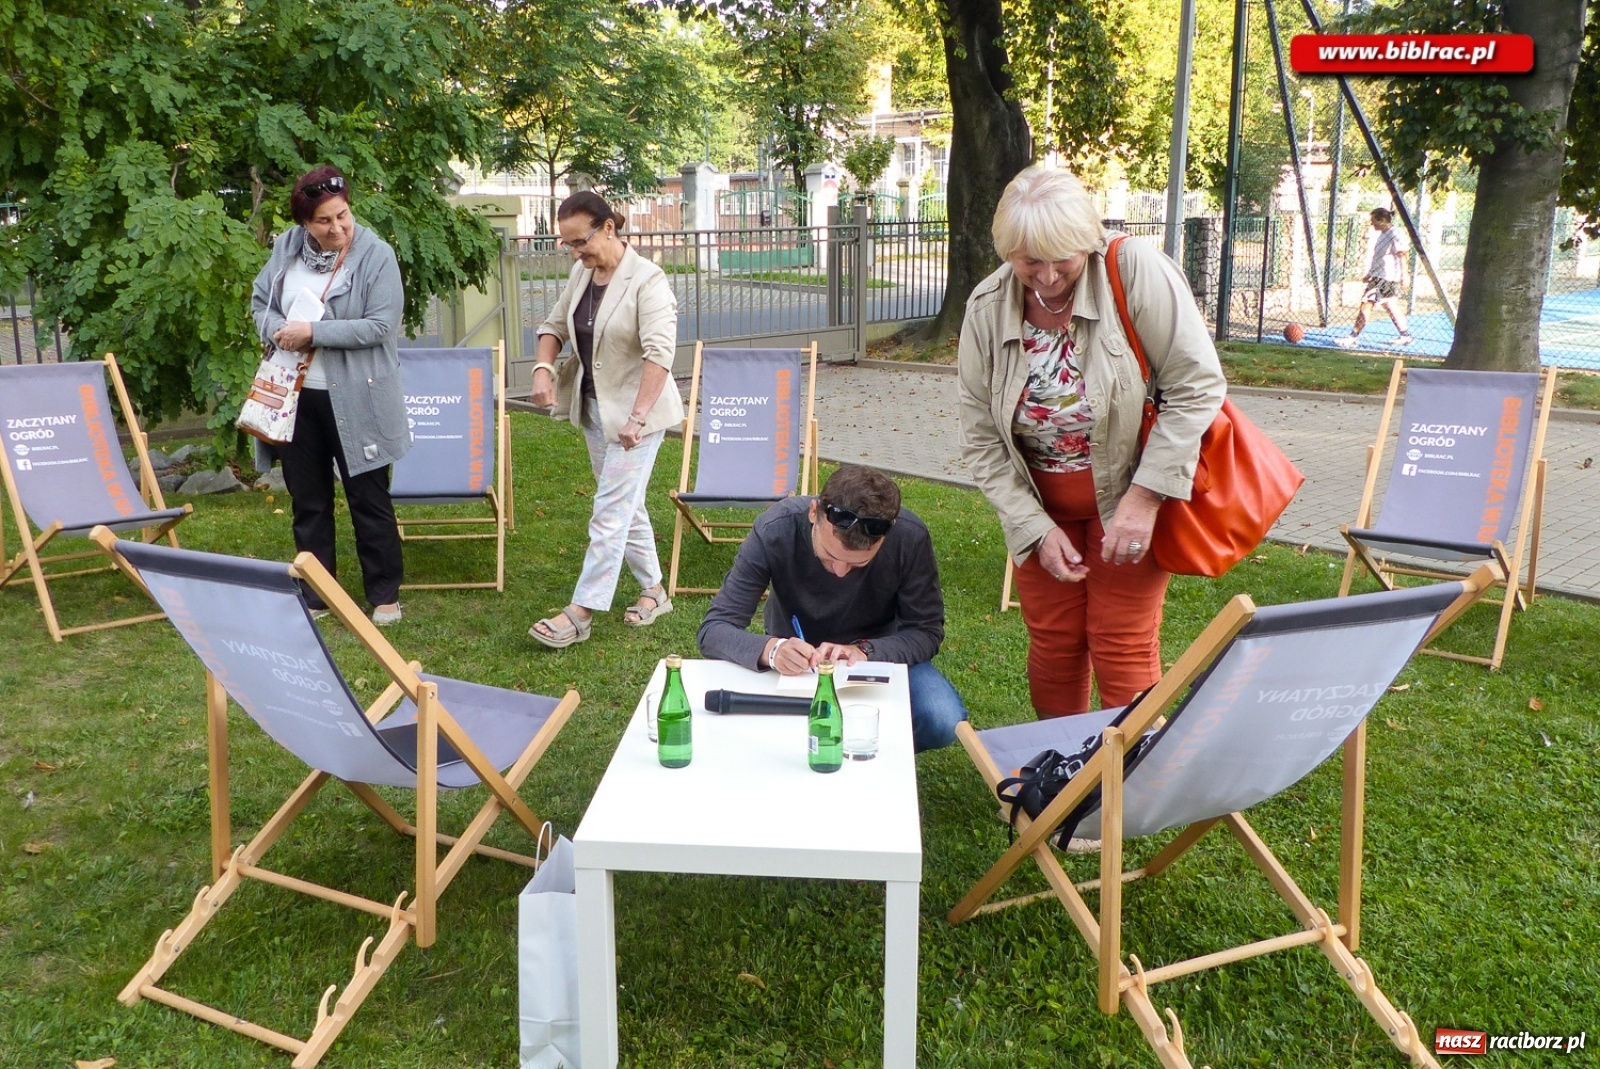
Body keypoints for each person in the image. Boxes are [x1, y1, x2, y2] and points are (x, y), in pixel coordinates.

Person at [957, 165, 1226, 719]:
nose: (1049, 276)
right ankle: (1061, 786)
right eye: (1030, 262)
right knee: (1053, 646)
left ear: (1088, 241)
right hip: (1040, 508)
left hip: (1129, 496)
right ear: (1008, 251)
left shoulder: (1136, 271)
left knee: (1122, 643)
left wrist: (1145, 499)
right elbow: (981, 436)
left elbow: (1197, 387)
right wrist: (1031, 527)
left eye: (1065, 258)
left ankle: (1129, 789)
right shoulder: (986, 307)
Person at [697, 464, 968, 753]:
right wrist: (773, 650)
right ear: (814, 513)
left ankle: (871, 752)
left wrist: (865, 651)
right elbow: (714, 630)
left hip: (878, 654)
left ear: (885, 538)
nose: (840, 572)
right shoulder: (776, 528)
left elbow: (926, 631)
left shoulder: (909, 538)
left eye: (858, 564)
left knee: (942, 719)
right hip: (794, 658)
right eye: (829, 556)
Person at [251, 166, 407, 625]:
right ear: (304, 224)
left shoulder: (376, 255)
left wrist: (313, 332)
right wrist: (280, 332)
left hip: (360, 396)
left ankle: (384, 596)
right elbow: (260, 303)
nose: (337, 228)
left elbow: (380, 326)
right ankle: (318, 593)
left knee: (368, 497)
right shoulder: (285, 248)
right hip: (296, 398)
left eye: (342, 216)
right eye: (324, 221)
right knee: (309, 499)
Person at [528, 191, 684, 648]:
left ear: (609, 228)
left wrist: (637, 418)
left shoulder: (648, 280)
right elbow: (554, 326)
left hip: (639, 419)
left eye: (580, 241)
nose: (575, 253)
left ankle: (581, 611)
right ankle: (655, 591)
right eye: (569, 245)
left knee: (610, 513)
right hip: (595, 410)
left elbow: (660, 354)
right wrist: (542, 366)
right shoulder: (583, 273)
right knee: (625, 505)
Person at [1335, 208, 1414, 348]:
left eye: (1373, 221)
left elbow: (1403, 254)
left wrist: (1405, 275)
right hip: (1379, 276)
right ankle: (1405, 335)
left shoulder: (1395, 233)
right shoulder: (1383, 234)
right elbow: (1380, 258)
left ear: (1382, 220)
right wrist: (1370, 273)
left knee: (1366, 304)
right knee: (1389, 305)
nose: (1372, 225)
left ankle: (1353, 336)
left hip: (1384, 278)